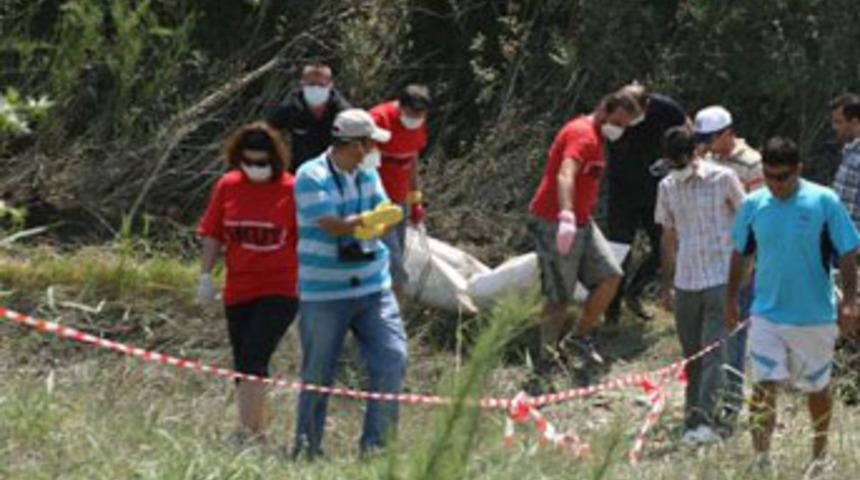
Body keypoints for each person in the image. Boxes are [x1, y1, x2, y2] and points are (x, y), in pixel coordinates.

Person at [724, 137, 860, 476]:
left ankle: (819, 453)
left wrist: (851, 301)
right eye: (769, 176)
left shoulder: (824, 201)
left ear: (798, 169)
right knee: (763, 385)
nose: (776, 184)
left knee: (817, 386)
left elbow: (846, 252)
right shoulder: (754, 204)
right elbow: (740, 252)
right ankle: (761, 459)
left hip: (814, 315)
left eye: (783, 177)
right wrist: (729, 300)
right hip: (767, 312)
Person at [292, 108, 408, 458]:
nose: (376, 150)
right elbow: (330, 222)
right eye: (371, 143)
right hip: (324, 293)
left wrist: (385, 219)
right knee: (317, 373)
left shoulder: (369, 174)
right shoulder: (310, 175)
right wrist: (369, 220)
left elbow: (384, 209)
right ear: (355, 145)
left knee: (393, 358)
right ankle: (307, 448)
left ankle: (376, 449)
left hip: (373, 287)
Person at [196, 122, 299, 444]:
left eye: (262, 163)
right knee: (242, 361)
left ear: (275, 160)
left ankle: (250, 433)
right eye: (248, 162)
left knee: (255, 356)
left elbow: (308, 238)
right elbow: (213, 233)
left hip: (280, 288)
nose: (255, 169)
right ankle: (251, 427)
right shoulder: (228, 186)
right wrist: (204, 276)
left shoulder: (292, 189)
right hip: (238, 289)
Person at [527, 91, 637, 366]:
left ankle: (579, 337)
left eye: (626, 126)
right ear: (603, 110)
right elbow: (566, 173)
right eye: (618, 123)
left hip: (583, 222)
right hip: (555, 221)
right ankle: (546, 358)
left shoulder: (599, 136)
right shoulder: (582, 134)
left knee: (611, 276)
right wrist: (565, 214)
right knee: (558, 295)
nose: (620, 130)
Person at [655, 126, 745, 445]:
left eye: (682, 160)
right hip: (687, 280)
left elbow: (747, 219)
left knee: (714, 351)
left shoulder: (723, 179)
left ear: (695, 152)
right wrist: (667, 285)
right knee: (692, 354)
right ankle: (693, 415)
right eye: (672, 162)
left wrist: (745, 268)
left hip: (721, 277)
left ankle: (708, 420)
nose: (678, 168)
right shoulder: (667, 186)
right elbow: (668, 236)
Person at [693, 104, 764, 424]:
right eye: (702, 138)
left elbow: (761, 215)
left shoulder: (752, 164)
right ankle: (708, 395)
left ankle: (731, 403)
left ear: (728, 133)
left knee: (735, 333)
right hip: (710, 259)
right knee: (709, 332)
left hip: (742, 259)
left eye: (711, 138)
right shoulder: (705, 161)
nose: (706, 144)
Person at [605, 83, 688, 324]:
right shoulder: (611, 111)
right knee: (619, 250)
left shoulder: (664, 108)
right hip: (621, 190)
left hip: (655, 190)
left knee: (665, 247)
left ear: (646, 106)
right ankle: (611, 311)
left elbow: (686, 130)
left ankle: (635, 291)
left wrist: (676, 159)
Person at [370, 84, 432, 292]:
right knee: (392, 262)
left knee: (398, 252)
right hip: (376, 201)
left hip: (399, 199)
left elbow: (411, 159)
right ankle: (394, 314)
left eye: (420, 113)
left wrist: (415, 199)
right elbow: (361, 163)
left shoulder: (419, 124)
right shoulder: (379, 120)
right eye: (411, 112)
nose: (415, 118)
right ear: (400, 107)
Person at [266, 62, 351, 173]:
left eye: (321, 85)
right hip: (300, 173)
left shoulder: (344, 113)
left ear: (330, 85)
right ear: (302, 83)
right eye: (311, 84)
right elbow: (267, 131)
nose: (316, 88)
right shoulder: (290, 107)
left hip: (335, 175)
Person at [831, 94, 860, 229]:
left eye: (838, 122)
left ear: (854, 122)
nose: (834, 127)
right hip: (844, 241)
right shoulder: (849, 151)